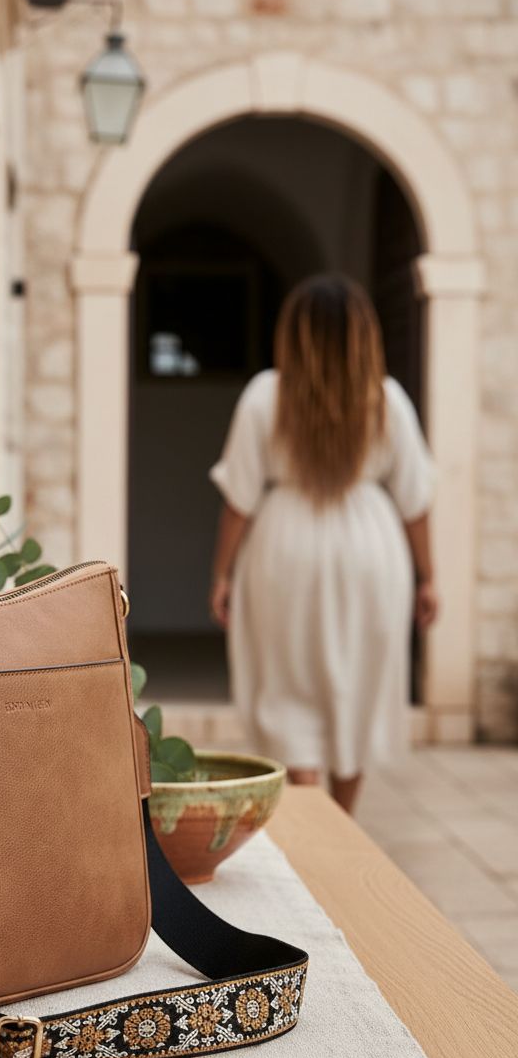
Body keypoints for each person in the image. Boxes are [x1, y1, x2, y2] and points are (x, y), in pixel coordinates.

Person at [208, 273, 437, 813]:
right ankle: (343, 820)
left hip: (284, 545)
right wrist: (429, 577)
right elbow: (415, 500)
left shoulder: (266, 395)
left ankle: (312, 818)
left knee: (289, 684)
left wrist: (222, 574)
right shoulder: (388, 400)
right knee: (358, 680)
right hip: (371, 547)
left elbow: (239, 498)